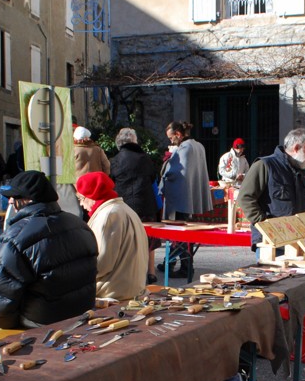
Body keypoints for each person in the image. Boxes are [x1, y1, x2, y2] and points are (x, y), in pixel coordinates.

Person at [0, 170, 98, 336]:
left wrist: (8, 327)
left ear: (27, 200)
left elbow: (1, 302)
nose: (10, 201)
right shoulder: (80, 225)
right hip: (81, 311)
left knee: (1, 292)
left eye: (14, 197)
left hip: (43, 319)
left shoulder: (16, 236)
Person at [76, 171, 149, 301]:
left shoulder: (108, 215)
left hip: (114, 291)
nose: (81, 204)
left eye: (81, 199)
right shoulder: (124, 209)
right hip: (132, 287)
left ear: (92, 195)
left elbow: (102, 264)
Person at [158, 120, 212, 278]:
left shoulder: (184, 148)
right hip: (190, 196)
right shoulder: (199, 146)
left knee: (178, 233)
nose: (171, 141)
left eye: (171, 138)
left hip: (180, 197)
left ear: (178, 134)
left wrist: (167, 159)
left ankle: (183, 266)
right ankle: (174, 263)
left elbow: (172, 172)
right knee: (183, 233)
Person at [109, 127, 162, 284]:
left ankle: (131, 273)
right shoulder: (144, 158)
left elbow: (111, 181)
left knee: (127, 239)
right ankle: (151, 272)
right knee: (149, 238)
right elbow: (152, 178)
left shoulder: (115, 160)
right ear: (134, 141)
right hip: (145, 204)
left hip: (124, 205)